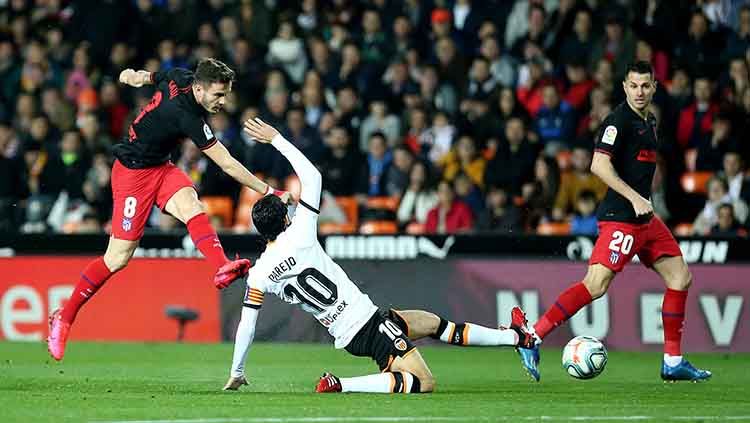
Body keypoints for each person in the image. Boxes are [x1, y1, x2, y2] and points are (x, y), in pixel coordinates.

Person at [223, 118, 536, 394]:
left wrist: (237, 371)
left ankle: (515, 338)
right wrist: (277, 138)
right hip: (366, 325)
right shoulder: (300, 232)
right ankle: (341, 385)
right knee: (423, 383)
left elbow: (247, 324)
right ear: (286, 219)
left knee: (432, 324)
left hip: (352, 330)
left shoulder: (261, 273)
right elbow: (313, 178)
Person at [47, 58, 289, 361]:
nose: (223, 102)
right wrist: (269, 191)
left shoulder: (180, 76)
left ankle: (220, 265)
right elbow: (226, 163)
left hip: (160, 167)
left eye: (226, 94)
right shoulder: (187, 116)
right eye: (218, 95)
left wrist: (134, 76)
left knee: (192, 204)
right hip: (132, 173)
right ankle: (65, 317)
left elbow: (154, 77)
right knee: (117, 258)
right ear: (199, 89)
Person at [516, 62, 712, 383]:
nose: (639, 92)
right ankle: (532, 337)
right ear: (624, 87)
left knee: (680, 277)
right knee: (596, 285)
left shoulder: (649, 121)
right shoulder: (617, 121)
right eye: (634, 86)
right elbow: (598, 164)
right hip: (622, 218)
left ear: (654, 88)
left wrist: (643, 203)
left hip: (646, 220)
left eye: (645, 86)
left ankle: (672, 361)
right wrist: (634, 197)